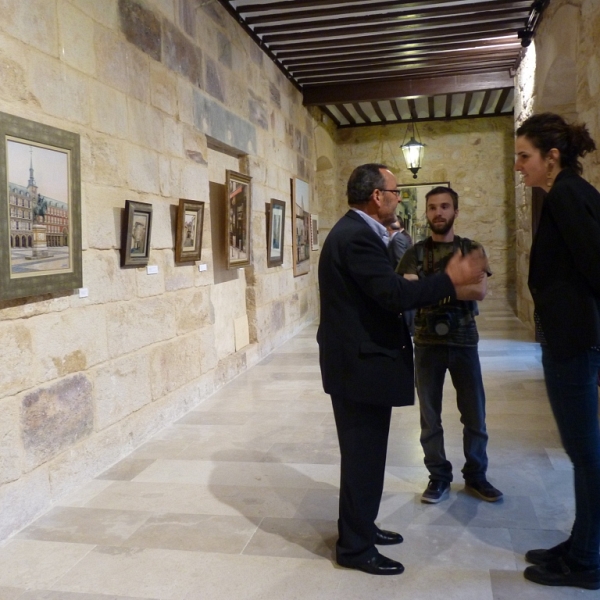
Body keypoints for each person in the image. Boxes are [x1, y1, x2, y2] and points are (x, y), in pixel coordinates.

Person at [317, 164, 488, 576]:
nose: (399, 198)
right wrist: (449, 279)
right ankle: (355, 549)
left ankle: (360, 527)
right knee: (362, 457)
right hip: (358, 367)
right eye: (395, 190)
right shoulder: (358, 237)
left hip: (359, 364)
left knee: (367, 457)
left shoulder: (357, 233)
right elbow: (392, 295)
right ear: (377, 196)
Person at [515, 112, 600, 591]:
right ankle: (581, 542)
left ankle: (587, 558)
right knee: (583, 453)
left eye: (524, 157)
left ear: (552, 158)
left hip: (572, 343)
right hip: (573, 339)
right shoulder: (570, 194)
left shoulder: (567, 194)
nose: (519, 167)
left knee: (586, 454)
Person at [397, 186, 502, 504]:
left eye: (444, 207)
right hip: (426, 343)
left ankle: (476, 476)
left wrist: (430, 286)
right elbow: (405, 289)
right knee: (430, 417)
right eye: (432, 207)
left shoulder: (471, 249)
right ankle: (438, 477)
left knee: (475, 415)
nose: (438, 212)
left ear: (456, 211)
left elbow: (479, 291)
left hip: (464, 342)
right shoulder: (414, 252)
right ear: (426, 213)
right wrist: (456, 282)